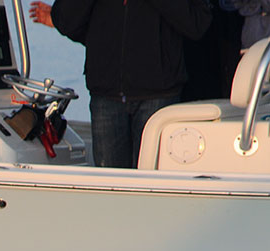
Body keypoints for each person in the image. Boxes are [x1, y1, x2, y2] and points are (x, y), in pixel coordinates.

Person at [29, 0, 213, 168]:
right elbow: (67, 20)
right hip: (107, 93)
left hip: (159, 94)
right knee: (109, 188)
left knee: (155, 185)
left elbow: (197, 24)